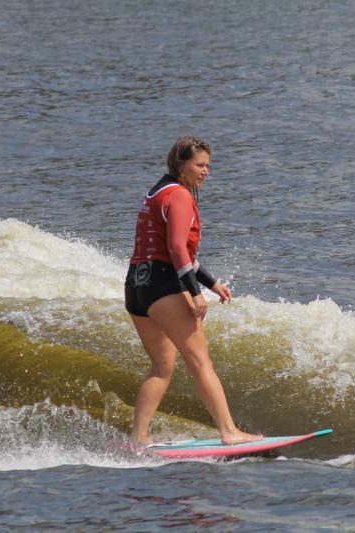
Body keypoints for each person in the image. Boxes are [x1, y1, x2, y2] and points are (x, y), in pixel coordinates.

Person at [125, 135, 263, 446]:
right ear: (181, 165)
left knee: (162, 367)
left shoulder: (156, 192)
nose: (205, 172)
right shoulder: (181, 196)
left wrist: (211, 283)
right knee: (201, 362)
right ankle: (229, 432)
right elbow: (176, 249)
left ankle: (139, 437)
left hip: (136, 286)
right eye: (199, 165)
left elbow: (171, 250)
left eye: (208, 166)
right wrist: (195, 293)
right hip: (163, 286)